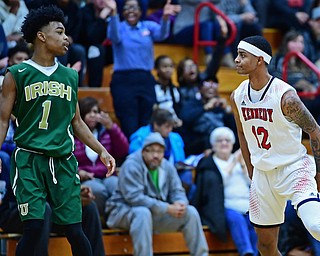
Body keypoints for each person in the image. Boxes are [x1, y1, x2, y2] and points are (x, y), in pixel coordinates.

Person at [0, 5, 116, 256]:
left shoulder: (70, 76)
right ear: (41, 36)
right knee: (33, 226)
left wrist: (102, 150)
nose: (67, 38)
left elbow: (77, 123)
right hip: (29, 159)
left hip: (63, 161)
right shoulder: (16, 74)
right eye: (60, 32)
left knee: (75, 230)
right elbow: (2, 120)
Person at [230, 35, 320, 255]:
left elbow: (315, 131)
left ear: (260, 60)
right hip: (263, 173)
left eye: (243, 55)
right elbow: (242, 133)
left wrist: (318, 176)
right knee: (266, 246)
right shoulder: (237, 95)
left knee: (315, 226)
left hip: (294, 168)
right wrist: (252, 171)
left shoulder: (285, 97)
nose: (236, 60)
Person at [105, 132, 209, 256]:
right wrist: (167, 208)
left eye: (159, 151)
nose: (156, 155)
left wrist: (180, 203)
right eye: (151, 151)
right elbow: (134, 198)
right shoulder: (131, 165)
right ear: (143, 151)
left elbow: (177, 190)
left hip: (153, 214)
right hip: (122, 212)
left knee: (190, 212)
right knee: (142, 213)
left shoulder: (167, 166)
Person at [105, 0, 181, 138]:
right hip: (123, 80)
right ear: (123, 11)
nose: (131, 10)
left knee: (146, 119)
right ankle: (131, 154)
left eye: (134, 7)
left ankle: (145, 152)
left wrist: (165, 18)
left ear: (141, 11)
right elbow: (113, 37)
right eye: (127, 8)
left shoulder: (148, 26)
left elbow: (162, 35)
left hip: (145, 79)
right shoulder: (118, 26)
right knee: (129, 121)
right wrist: (114, 13)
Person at [192, 127, 258, 256]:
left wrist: (244, 166)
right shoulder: (209, 163)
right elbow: (218, 184)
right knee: (237, 219)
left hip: (246, 206)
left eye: (227, 140)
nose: (224, 143)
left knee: (256, 221)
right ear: (213, 144)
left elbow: (252, 184)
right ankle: (246, 252)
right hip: (225, 207)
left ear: (232, 143)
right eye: (219, 140)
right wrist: (233, 163)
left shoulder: (239, 162)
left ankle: (255, 253)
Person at [75, 96, 128, 219]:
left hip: (107, 175)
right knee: (98, 191)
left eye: (95, 112)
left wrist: (112, 127)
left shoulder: (107, 132)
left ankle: (115, 219)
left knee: (117, 186)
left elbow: (123, 151)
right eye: (88, 112)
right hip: (86, 178)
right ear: (81, 114)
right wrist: (78, 172)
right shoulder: (72, 135)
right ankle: (100, 221)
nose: (93, 115)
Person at [268, 30, 320, 124]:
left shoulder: (304, 60)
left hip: (307, 97)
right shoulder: (278, 59)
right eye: (294, 41)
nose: (298, 45)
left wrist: (312, 88)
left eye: (301, 42)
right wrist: (299, 83)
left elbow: (315, 78)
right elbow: (275, 76)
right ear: (286, 43)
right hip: (289, 99)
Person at [154, 54, 182, 127]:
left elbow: (178, 108)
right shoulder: (152, 88)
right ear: (157, 69)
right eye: (165, 67)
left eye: (171, 66)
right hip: (158, 124)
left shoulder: (175, 89)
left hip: (174, 124)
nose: (168, 70)